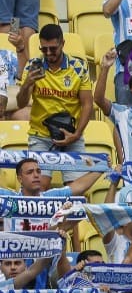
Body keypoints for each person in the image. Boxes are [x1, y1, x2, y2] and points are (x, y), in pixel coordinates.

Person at [14, 24, 93, 184]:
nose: (48, 54)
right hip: (41, 136)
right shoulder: (33, 66)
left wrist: (76, 135)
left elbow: (87, 104)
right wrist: (27, 83)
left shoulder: (78, 67)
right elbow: (21, 103)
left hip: (71, 136)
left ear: (62, 44)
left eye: (53, 49)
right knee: (37, 187)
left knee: (75, 191)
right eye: (44, 49)